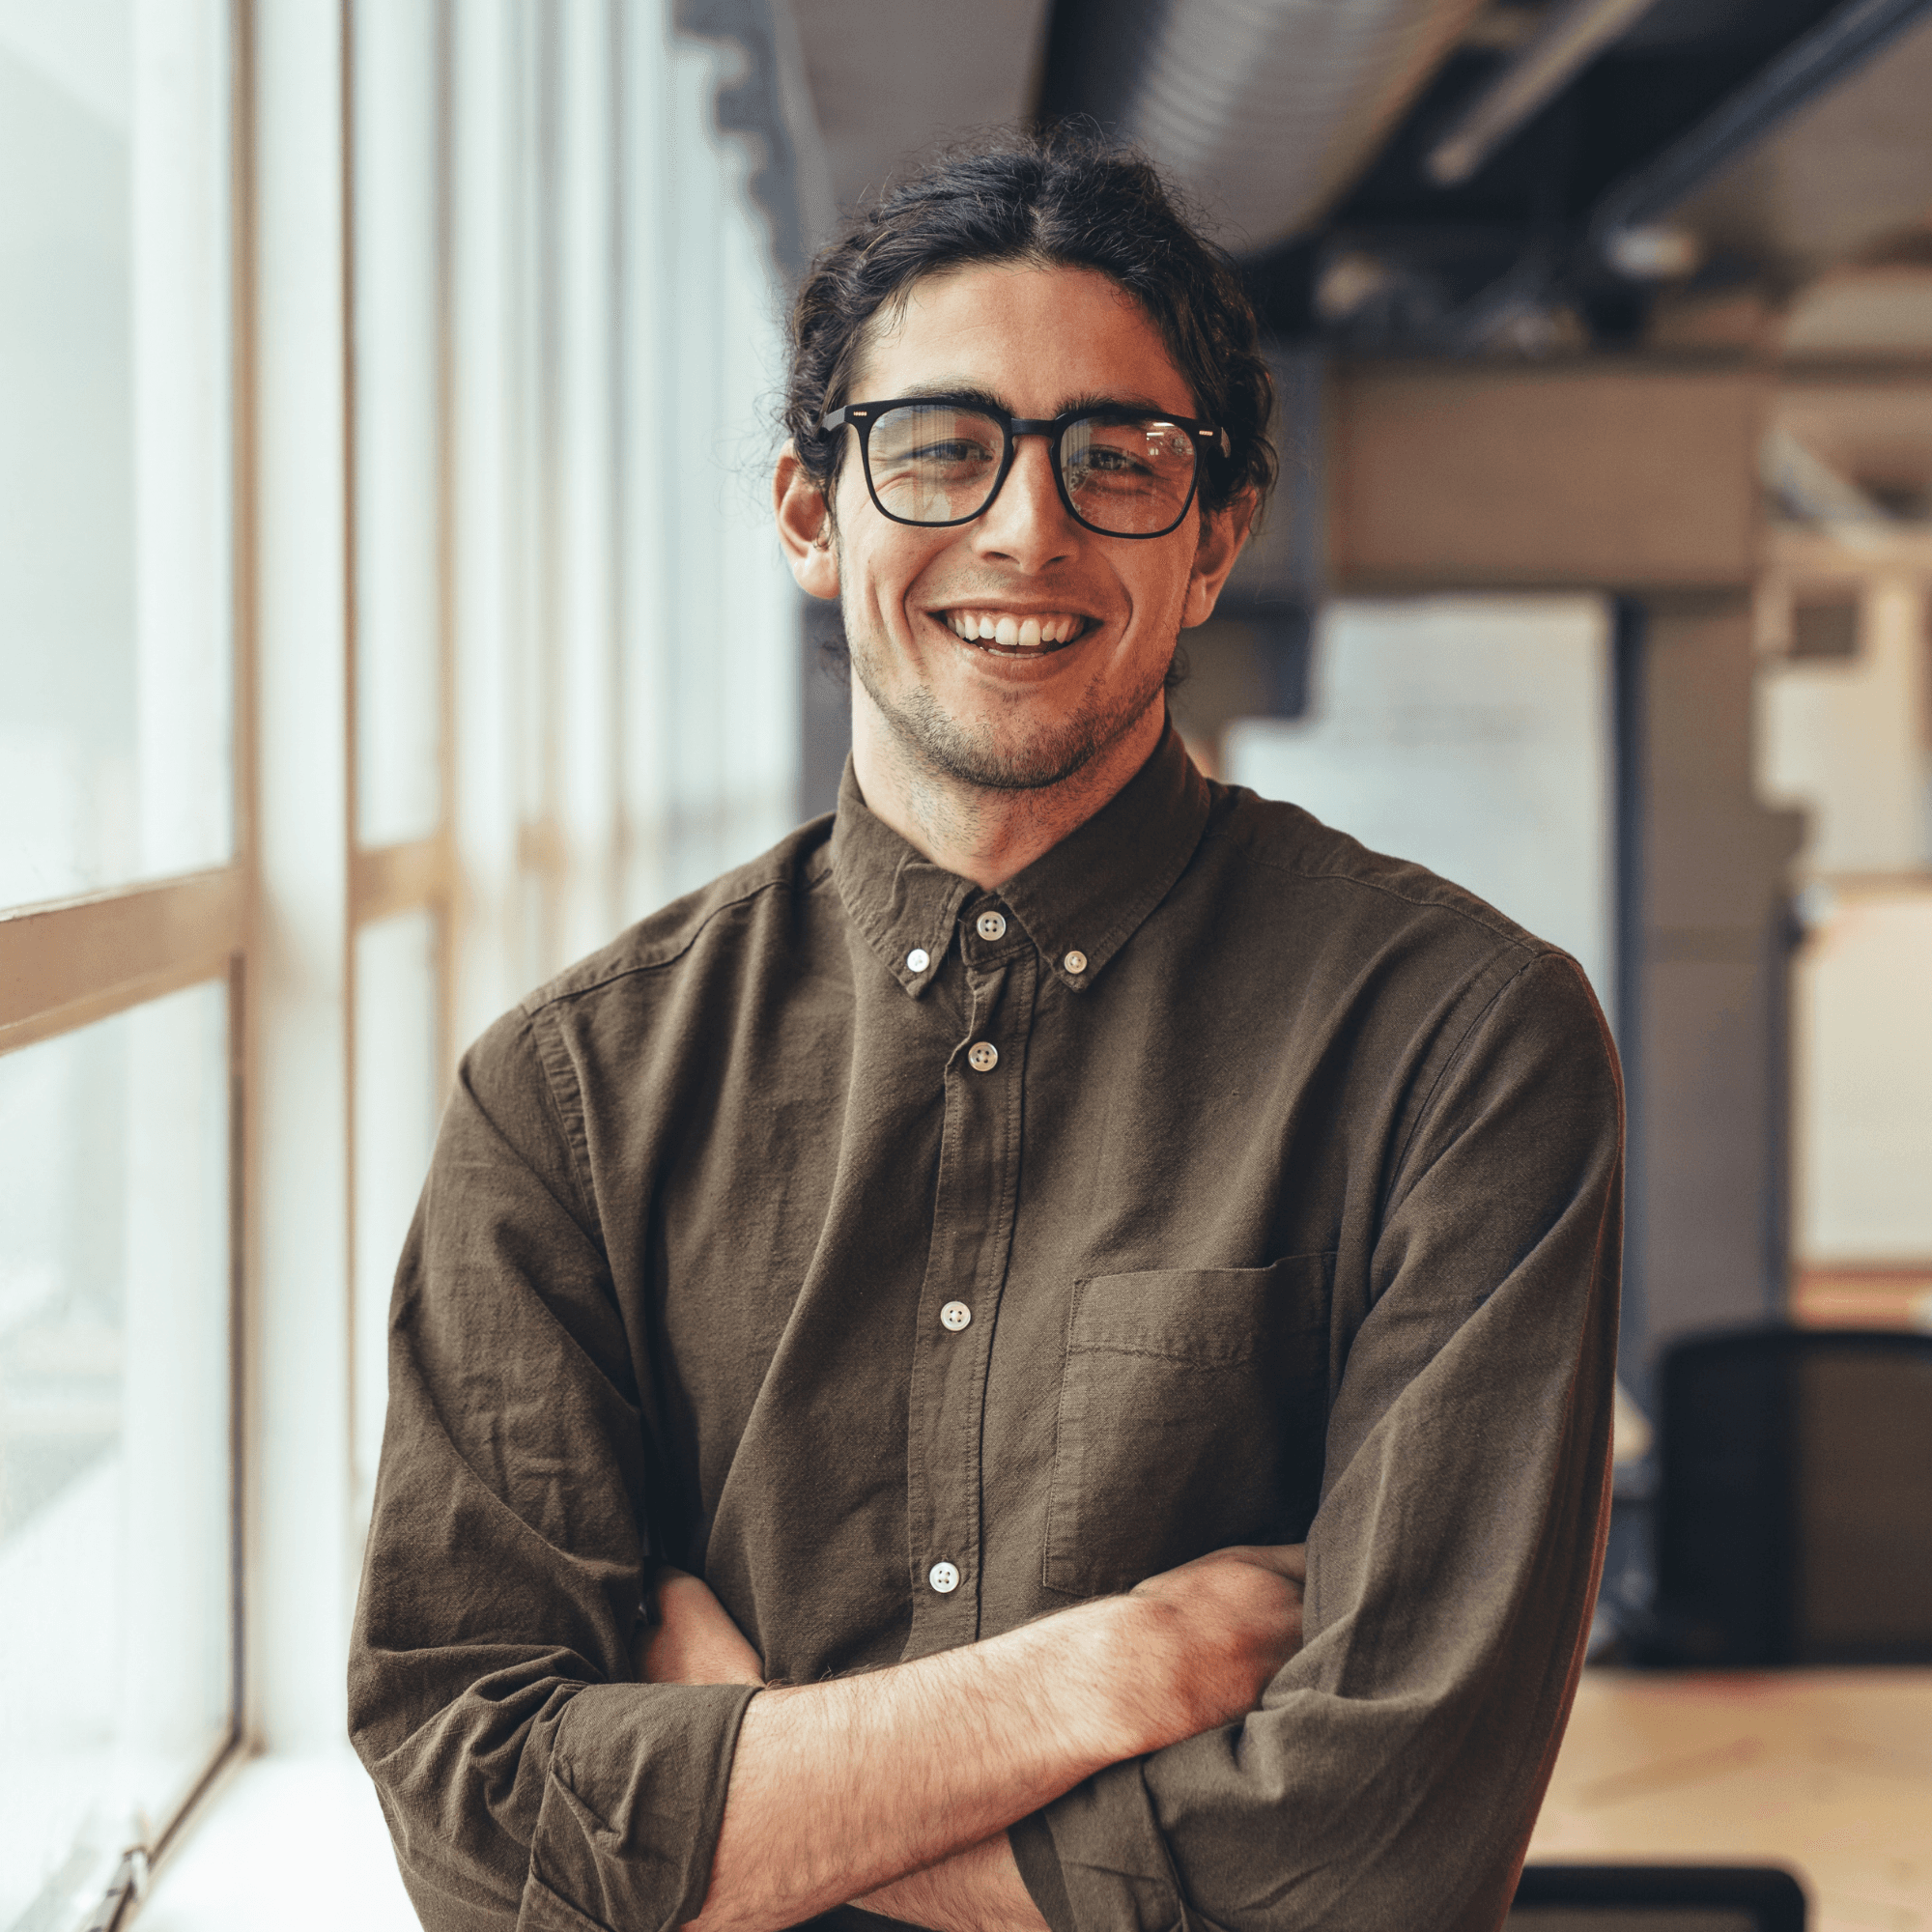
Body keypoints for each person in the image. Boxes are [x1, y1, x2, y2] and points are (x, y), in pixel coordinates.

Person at [350, 131, 1619, 1932]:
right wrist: (1104, 1677)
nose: (1026, 526)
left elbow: (1369, 1860)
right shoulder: (569, 1097)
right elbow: (475, 1816)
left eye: (1120, 460)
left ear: (1213, 540)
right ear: (813, 512)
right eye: (941, 448)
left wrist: (755, 1763)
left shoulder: (1461, 1047)